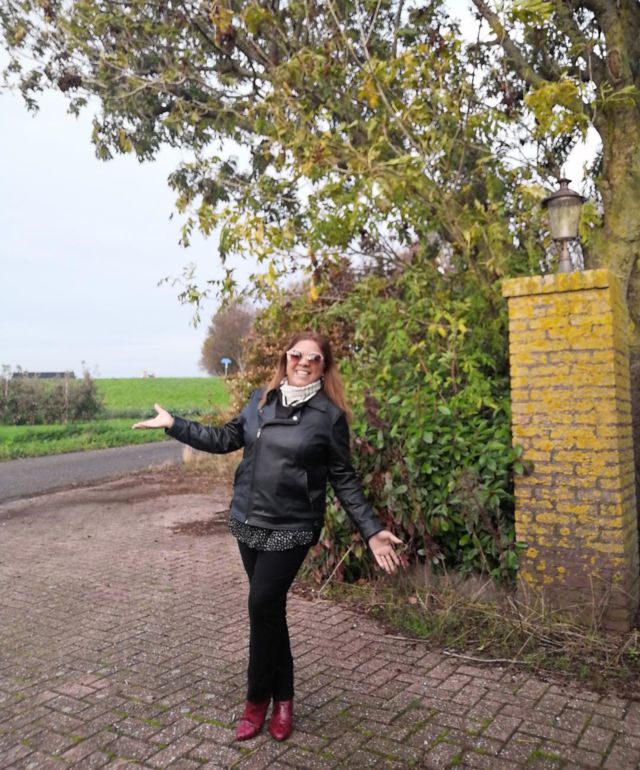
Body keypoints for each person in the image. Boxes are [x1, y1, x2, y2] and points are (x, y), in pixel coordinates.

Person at [132, 331, 402, 742]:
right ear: (285, 358)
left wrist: (371, 530)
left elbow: (344, 478)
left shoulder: (328, 416)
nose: (303, 362)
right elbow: (224, 439)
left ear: (324, 367)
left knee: (261, 605)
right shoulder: (260, 400)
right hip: (248, 520)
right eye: (297, 354)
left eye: (313, 358)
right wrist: (175, 425)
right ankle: (285, 699)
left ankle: (256, 701)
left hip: (292, 527)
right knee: (270, 612)